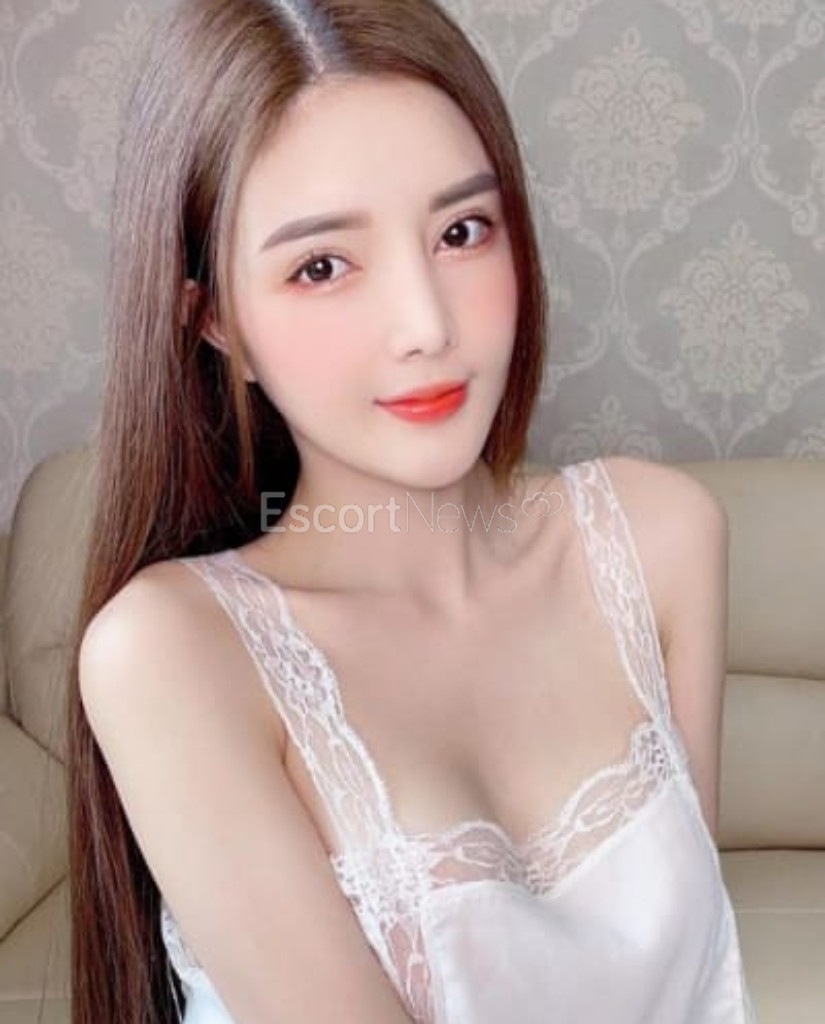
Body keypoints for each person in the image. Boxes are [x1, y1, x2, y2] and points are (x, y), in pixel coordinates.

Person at [68, 0, 759, 1022]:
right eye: (321, 266)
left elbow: (696, 989)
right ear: (215, 321)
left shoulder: (660, 537)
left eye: (461, 231)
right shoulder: (171, 653)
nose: (426, 325)